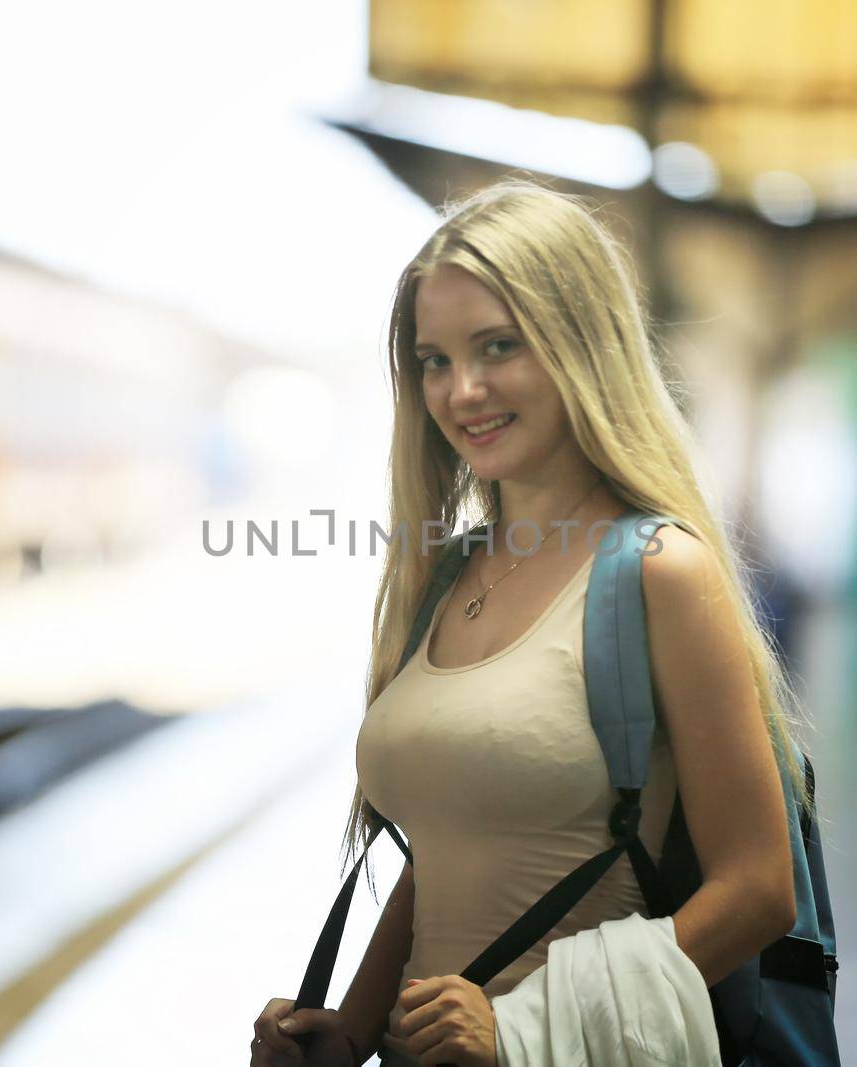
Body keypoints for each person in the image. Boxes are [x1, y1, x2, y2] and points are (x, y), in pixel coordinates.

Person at [250, 179, 805, 1066]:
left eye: (497, 346)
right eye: (433, 359)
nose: (461, 390)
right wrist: (349, 1030)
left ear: (580, 343)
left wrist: (526, 1029)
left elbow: (757, 891)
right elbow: (454, 835)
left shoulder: (658, 571)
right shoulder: (444, 572)